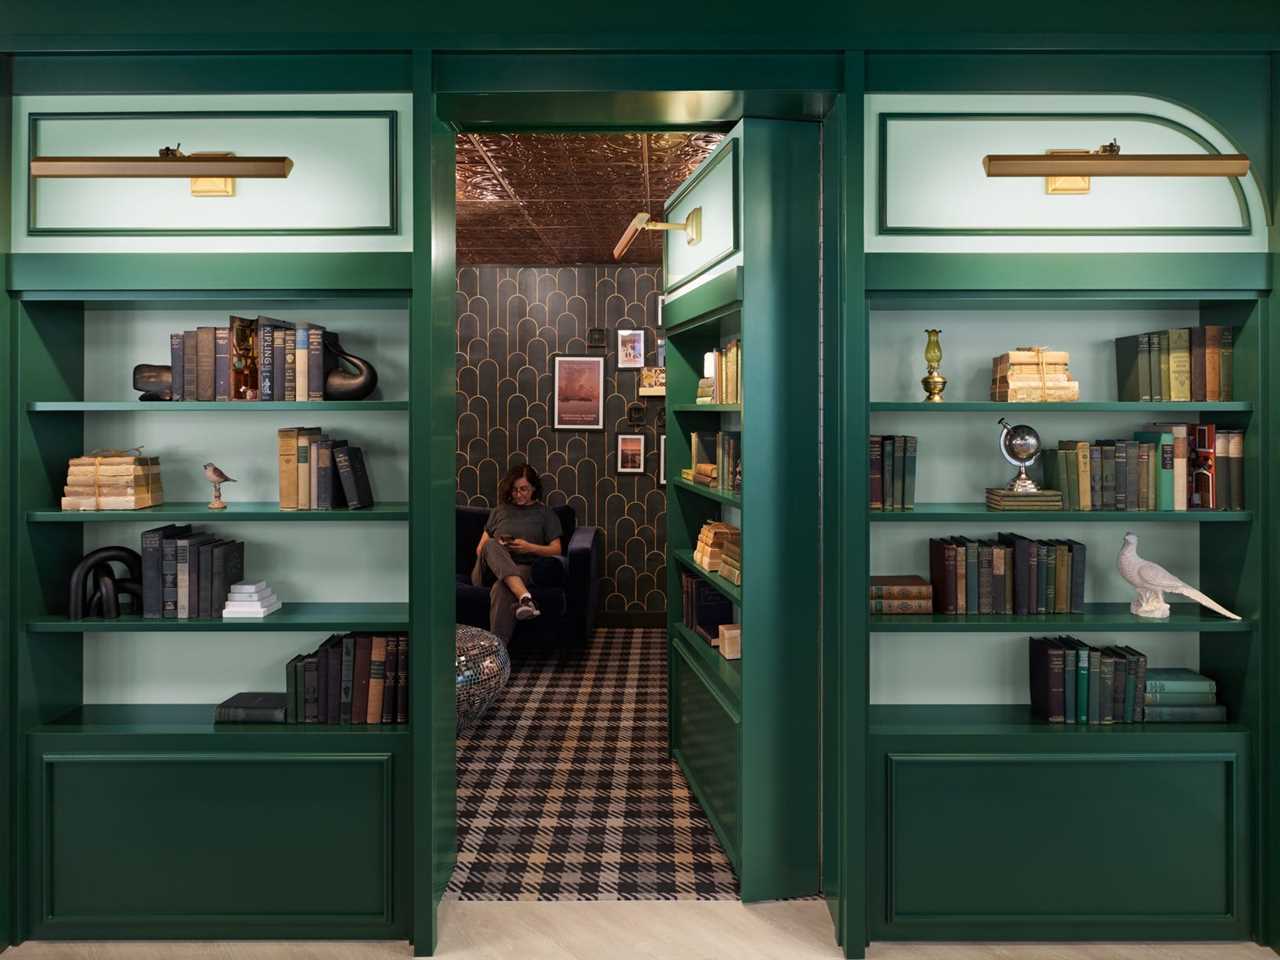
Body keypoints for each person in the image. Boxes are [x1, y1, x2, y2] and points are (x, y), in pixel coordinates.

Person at [473, 464, 563, 642]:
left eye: (524, 489)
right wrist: (501, 549)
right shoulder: (500, 511)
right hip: (488, 570)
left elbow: (557, 549)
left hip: (523, 568)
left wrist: (529, 547)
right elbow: (480, 549)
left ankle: (496, 655)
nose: (518, 494)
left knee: (502, 587)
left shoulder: (545, 514)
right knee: (490, 544)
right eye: (514, 490)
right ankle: (525, 597)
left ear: (534, 489)